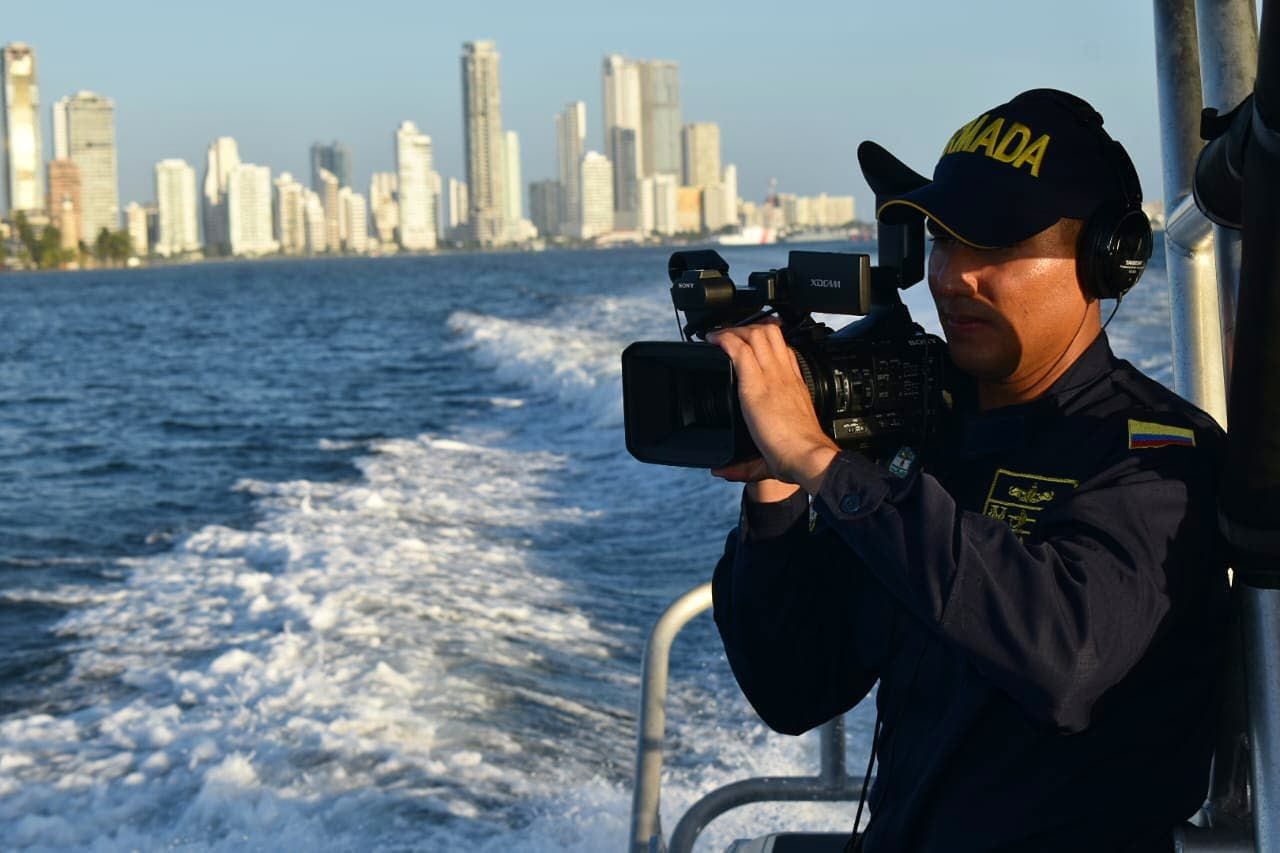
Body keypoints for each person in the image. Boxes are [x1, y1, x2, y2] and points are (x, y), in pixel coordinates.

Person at [708, 89, 1228, 852]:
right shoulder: (930, 442)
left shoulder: (1156, 459)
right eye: (945, 243)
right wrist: (777, 488)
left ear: (1104, 257)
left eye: (996, 247)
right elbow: (793, 686)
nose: (952, 278)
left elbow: (1069, 656)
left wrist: (823, 463)